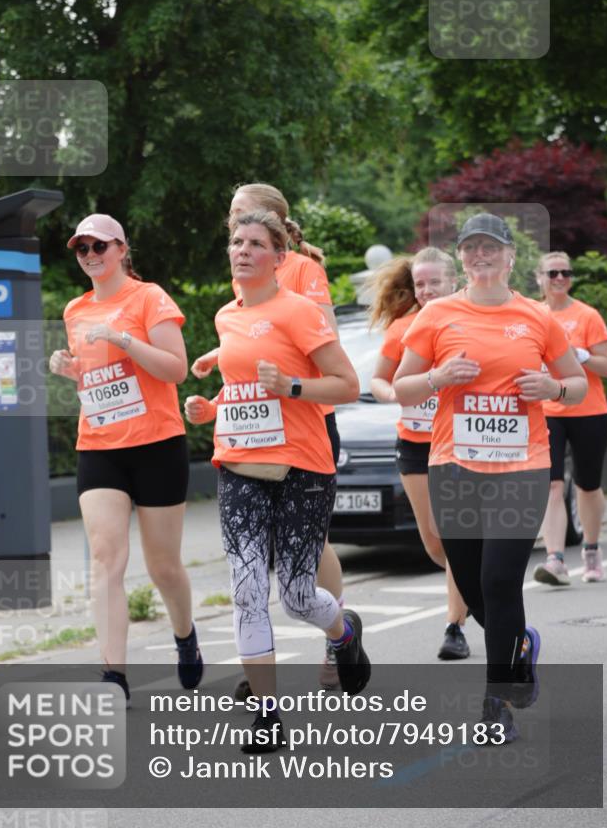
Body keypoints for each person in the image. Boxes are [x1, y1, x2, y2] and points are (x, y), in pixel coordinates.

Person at [394, 213, 586, 742]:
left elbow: (577, 383)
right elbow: (402, 386)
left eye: (491, 248)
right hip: (454, 466)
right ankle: (518, 647)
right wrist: (436, 376)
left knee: (501, 581)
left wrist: (551, 387)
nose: (481, 256)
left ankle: (494, 701)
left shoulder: (536, 318)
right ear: (461, 258)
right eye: (471, 248)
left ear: (509, 258)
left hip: (521, 467)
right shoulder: (436, 316)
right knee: (475, 585)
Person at [185, 210, 369, 752]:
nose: (242, 251)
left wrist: (291, 385)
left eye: (255, 244)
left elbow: (347, 386)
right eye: (236, 242)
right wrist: (209, 408)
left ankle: (343, 632)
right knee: (246, 592)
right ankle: (267, 717)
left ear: (279, 257)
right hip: (240, 465)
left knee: (295, 597)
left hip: (303, 468)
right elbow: (243, 391)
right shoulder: (226, 316)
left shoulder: (300, 312)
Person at [49, 214, 202, 704]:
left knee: (164, 567)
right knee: (105, 558)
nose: (90, 255)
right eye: (81, 248)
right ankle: (113, 675)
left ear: (121, 249)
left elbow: (175, 369)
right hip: (99, 448)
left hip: (156, 444)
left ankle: (185, 634)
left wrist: (123, 340)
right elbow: (99, 382)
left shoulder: (148, 297)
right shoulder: (75, 310)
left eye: (99, 246)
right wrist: (70, 370)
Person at [369, 247, 470, 660]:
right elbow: (378, 379)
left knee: (454, 535)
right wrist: (395, 392)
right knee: (433, 542)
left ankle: (454, 626)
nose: (427, 290)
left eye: (435, 282)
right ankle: (478, 592)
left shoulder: (469, 323)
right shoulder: (403, 328)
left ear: (454, 282)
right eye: (420, 284)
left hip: (460, 444)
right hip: (414, 442)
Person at [533, 251, 607, 585]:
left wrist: (581, 355)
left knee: (588, 484)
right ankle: (555, 560)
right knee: (552, 484)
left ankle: (591, 550)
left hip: (589, 410)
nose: (559, 279)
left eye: (565, 272)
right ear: (539, 278)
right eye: (552, 273)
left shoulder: (588, 316)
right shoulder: (532, 315)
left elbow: (606, 367)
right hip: (548, 411)